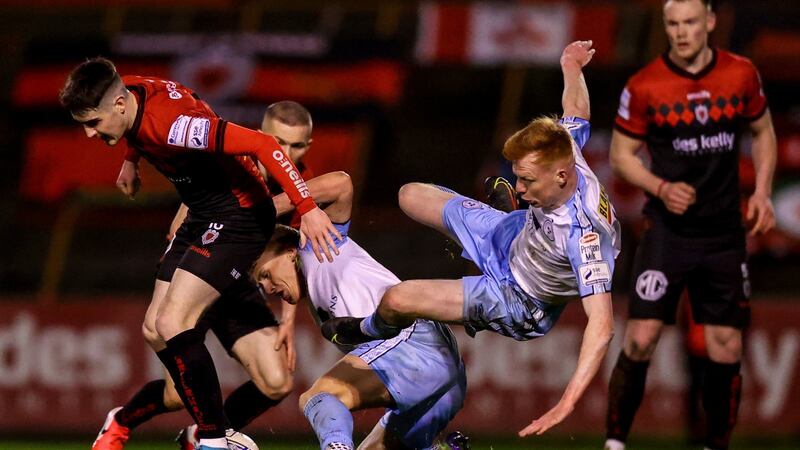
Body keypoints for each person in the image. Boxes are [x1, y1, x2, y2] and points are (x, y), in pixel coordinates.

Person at [323, 40, 619, 437]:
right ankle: (506, 214)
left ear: (561, 177)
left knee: (397, 299)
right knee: (409, 195)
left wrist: (566, 403)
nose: (521, 183)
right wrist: (571, 66)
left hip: (519, 298)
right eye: (518, 177)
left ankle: (368, 330)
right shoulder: (566, 153)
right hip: (513, 238)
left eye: (526, 180)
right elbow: (577, 111)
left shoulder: (584, 237)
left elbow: (602, 326)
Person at [59, 58, 340, 450]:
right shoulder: (130, 91)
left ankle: (212, 439)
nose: (89, 134)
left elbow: (263, 144)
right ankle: (184, 428)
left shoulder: (179, 126)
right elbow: (159, 103)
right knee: (155, 328)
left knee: (174, 323)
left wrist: (307, 209)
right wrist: (130, 159)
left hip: (237, 216)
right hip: (204, 213)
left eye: (93, 123)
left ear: (119, 105)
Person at [602, 1, 777, 450]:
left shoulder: (741, 74)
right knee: (640, 339)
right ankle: (614, 442)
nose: (681, 32)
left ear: (711, 22)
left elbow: (763, 131)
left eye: (690, 23)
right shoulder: (645, 85)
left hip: (723, 234)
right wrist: (660, 187)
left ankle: (714, 444)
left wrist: (761, 192)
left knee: (725, 346)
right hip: (667, 231)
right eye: (673, 24)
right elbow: (621, 156)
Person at [259, 171, 467, 450]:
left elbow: (341, 184)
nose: (267, 288)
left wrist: (261, 213)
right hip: (437, 373)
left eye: (265, 274)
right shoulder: (313, 287)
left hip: (415, 346)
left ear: (290, 251)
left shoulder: (318, 246)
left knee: (318, 398)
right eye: (259, 283)